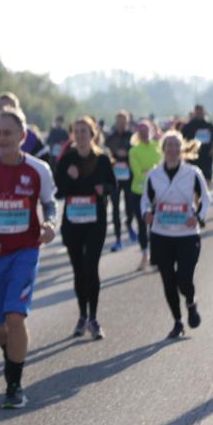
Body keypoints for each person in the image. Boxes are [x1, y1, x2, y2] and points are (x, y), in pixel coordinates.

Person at [0, 105, 56, 408]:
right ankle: (14, 353)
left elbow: (49, 204)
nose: (2, 138)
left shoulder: (38, 170)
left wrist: (50, 223)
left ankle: (13, 385)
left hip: (25, 251)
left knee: (15, 316)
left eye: (8, 133)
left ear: (23, 136)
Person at [141, 130, 210, 339]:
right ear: (163, 149)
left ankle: (190, 302)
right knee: (168, 280)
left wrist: (197, 217)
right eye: (168, 145)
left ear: (182, 149)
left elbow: (205, 199)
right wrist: (147, 213)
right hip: (161, 235)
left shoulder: (193, 173)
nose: (172, 149)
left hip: (187, 235)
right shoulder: (154, 175)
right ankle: (178, 321)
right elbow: (145, 200)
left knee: (184, 278)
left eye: (176, 145)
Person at [54, 117, 116, 339]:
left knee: (92, 268)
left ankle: (94, 318)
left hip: (95, 223)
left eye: (84, 131)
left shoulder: (102, 159)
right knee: (79, 271)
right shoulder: (66, 160)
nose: (80, 135)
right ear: (72, 135)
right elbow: (59, 192)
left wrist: (104, 189)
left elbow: (113, 186)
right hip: (72, 224)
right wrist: (69, 179)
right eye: (76, 131)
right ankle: (82, 315)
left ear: (92, 134)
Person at [128, 121, 160, 271]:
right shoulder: (133, 151)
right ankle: (144, 255)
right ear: (137, 134)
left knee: (155, 225)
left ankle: (156, 256)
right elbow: (138, 173)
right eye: (140, 131)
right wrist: (151, 172)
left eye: (146, 130)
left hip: (157, 192)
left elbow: (162, 168)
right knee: (142, 225)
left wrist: (150, 172)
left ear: (151, 131)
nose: (143, 133)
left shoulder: (158, 147)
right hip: (138, 192)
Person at [104, 111, 135, 250]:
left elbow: (136, 154)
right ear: (115, 122)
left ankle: (128, 223)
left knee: (129, 205)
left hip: (129, 176)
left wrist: (128, 157)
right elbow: (105, 156)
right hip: (114, 176)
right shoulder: (110, 138)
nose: (121, 124)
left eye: (123, 122)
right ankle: (118, 239)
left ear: (127, 122)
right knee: (115, 207)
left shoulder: (133, 137)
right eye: (118, 122)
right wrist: (113, 159)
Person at [180, 104, 213, 186]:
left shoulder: (209, 126)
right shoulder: (188, 126)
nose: (199, 113)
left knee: (206, 179)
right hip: (192, 157)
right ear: (195, 112)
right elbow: (181, 138)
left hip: (206, 157)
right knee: (193, 180)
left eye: (200, 111)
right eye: (197, 112)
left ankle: (205, 196)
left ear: (204, 112)